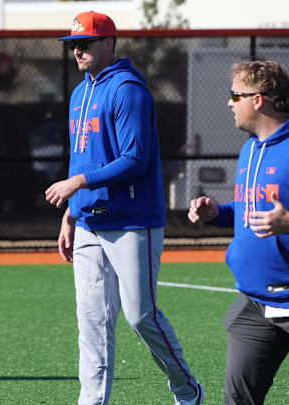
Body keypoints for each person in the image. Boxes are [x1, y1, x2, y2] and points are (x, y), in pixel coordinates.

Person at [45, 11, 203, 405]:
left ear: (109, 43)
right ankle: (92, 401)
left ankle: (186, 388)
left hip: (132, 222)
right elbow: (82, 159)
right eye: (73, 44)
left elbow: (136, 159)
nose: (77, 50)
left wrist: (78, 184)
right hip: (88, 224)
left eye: (85, 42)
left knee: (140, 316)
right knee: (92, 321)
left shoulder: (128, 89)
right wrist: (70, 213)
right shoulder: (80, 94)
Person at [188, 59, 289, 405]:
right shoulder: (250, 149)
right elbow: (249, 209)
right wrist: (217, 213)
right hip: (257, 304)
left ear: (258, 99)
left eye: (235, 94)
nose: (229, 102)